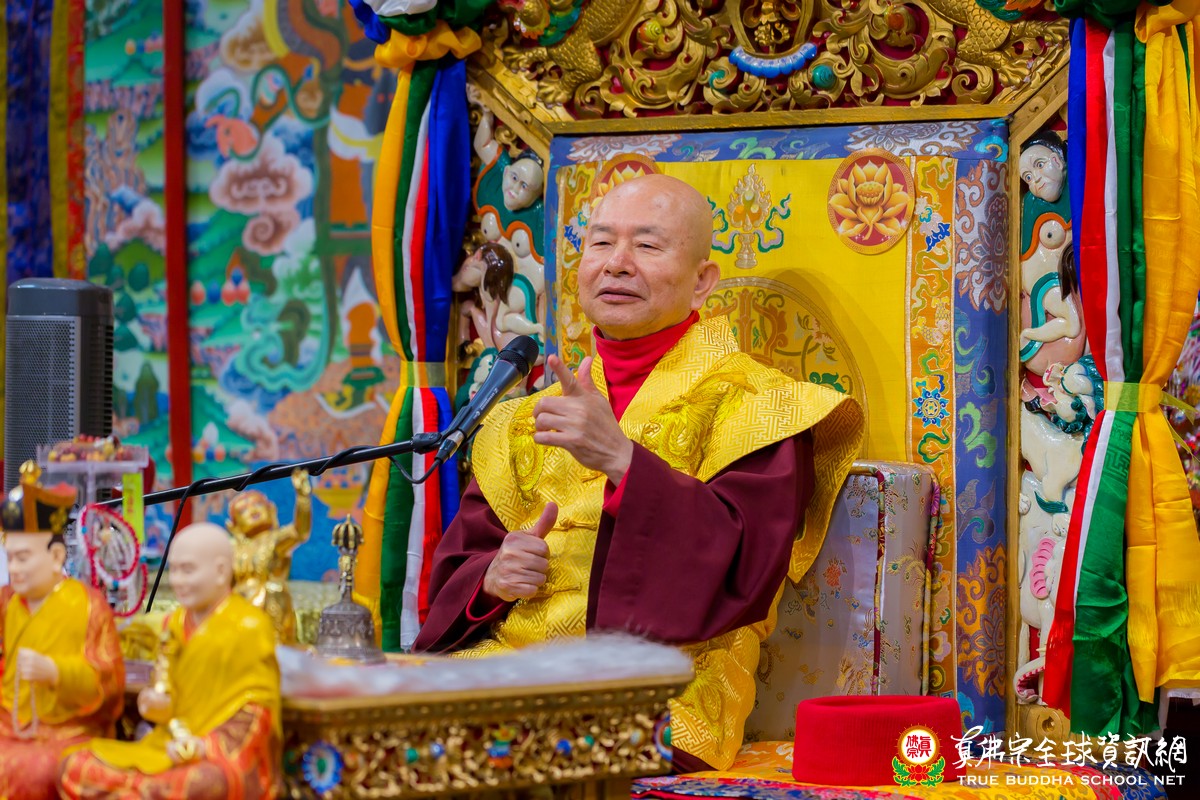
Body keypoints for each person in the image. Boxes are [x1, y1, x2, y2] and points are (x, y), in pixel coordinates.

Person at [413, 174, 863, 772]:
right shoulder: (524, 419)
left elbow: (745, 569)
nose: (617, 263)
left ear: (703, 281)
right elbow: (461, 565)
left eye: (647, 246)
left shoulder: (761, 406)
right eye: (601, 243)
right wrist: (490, 579)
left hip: (664, 690)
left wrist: (624, 463)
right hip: (509, 670)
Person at [59, 523, 281, 800]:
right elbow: (166, 693)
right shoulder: (175, 623)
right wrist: (153, 703)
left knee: (201, 784)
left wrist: (202, 746)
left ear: (221, 571)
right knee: (74, 764)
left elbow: (257, 712)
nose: (177, 580)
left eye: (187, 570)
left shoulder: (250, 626)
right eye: (173, 570)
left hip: (217, 756)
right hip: (167, 744)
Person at [0, 462, 124, 800]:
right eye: (10, 559)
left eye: (23, 558)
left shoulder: (88, 605)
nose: (14, 569)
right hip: (9, 722)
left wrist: (55, 672)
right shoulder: (8, 601)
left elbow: (109, 684)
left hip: (67, 729)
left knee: (34, 771)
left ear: (56, 556)